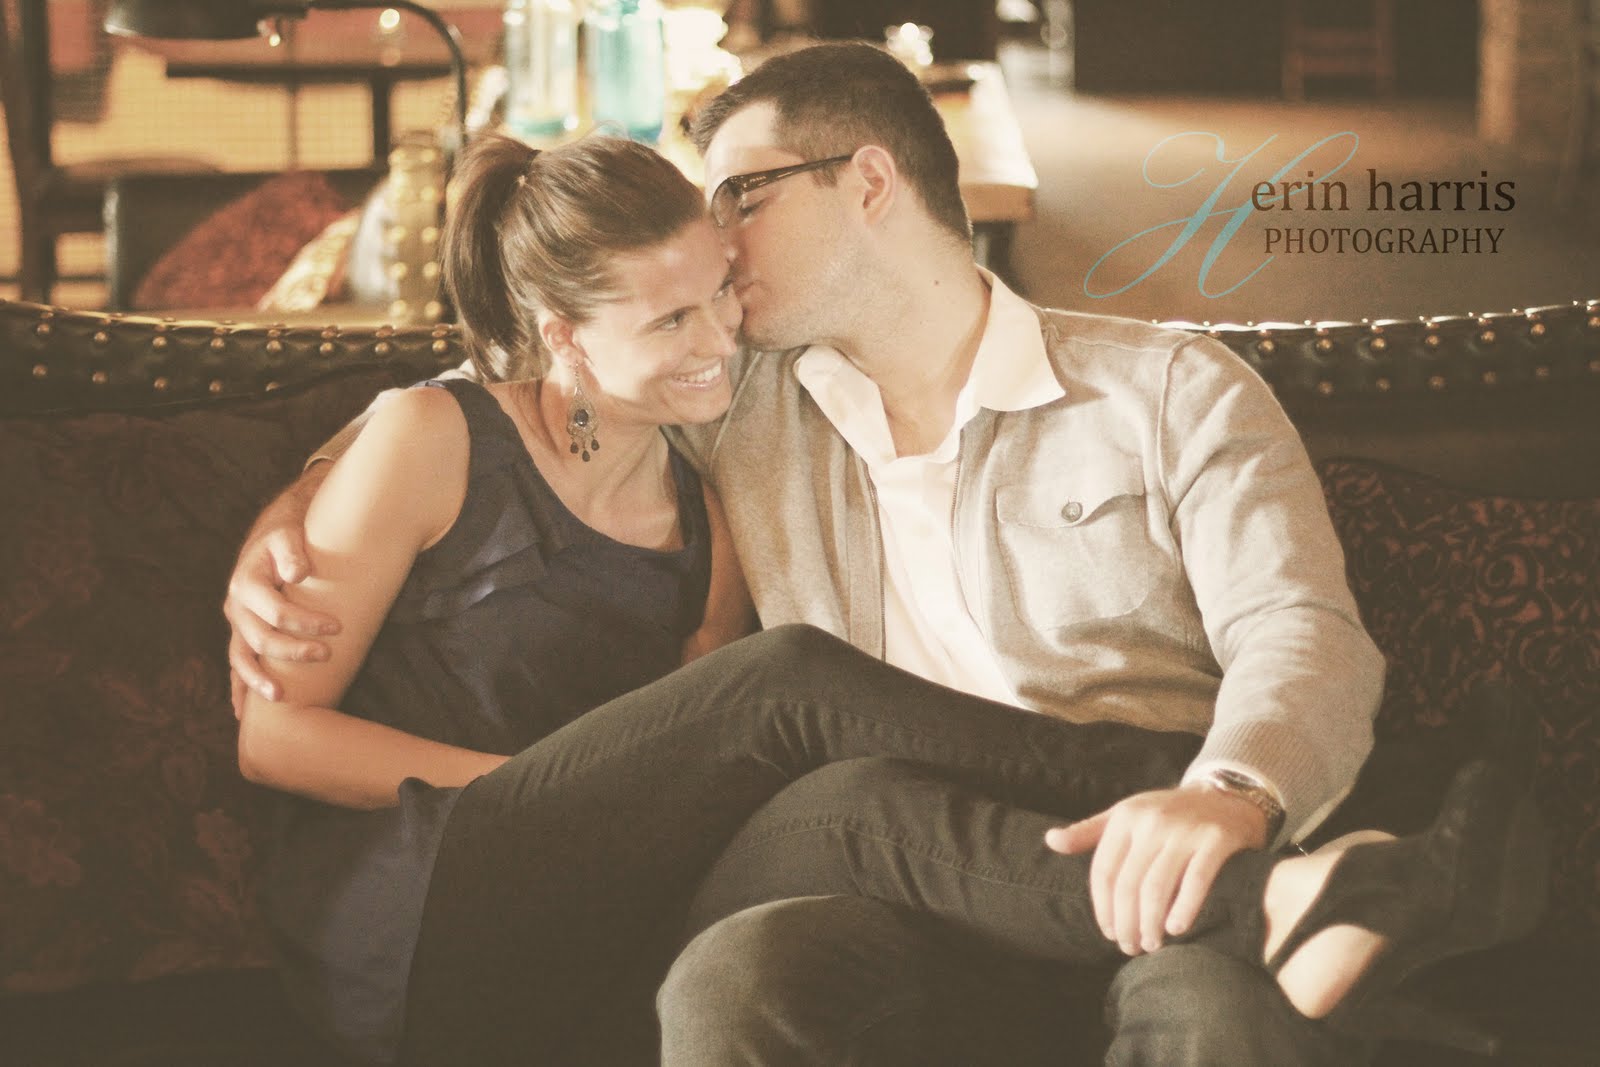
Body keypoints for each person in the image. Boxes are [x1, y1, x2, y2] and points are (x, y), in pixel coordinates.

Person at [225, 45, 1545, 1066]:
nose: (718, 248)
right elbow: (525, 384)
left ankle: (1288, 892)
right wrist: (298, 500)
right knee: (737, 972)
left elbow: (1301, 631)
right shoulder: (740, 403)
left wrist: (1232, 791)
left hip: (1145, 858)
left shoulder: (1167, 390)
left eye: (738, 197)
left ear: (866, 182)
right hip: (871, 892)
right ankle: (1344, 867)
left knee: (1214, 1009)